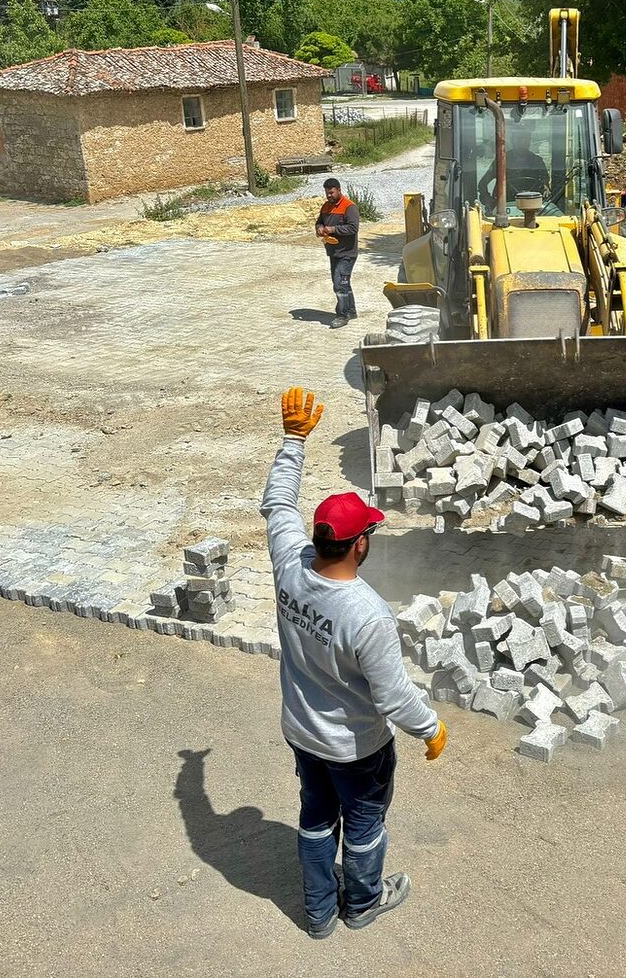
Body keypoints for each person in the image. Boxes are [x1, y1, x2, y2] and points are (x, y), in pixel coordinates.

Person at [260, 387, 448, 936]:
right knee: (363, 825)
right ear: (360, 544)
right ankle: (361, 903)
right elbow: (392, 697)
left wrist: (294, 440)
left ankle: (318, 914)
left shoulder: (291, 563)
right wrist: (431, 728)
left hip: (302, 733)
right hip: (356, 750)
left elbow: (276, 505)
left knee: (316, 819)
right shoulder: (367, 615)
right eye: (369, 529)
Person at [316, 178, 360, 329]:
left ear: (339, 190)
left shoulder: (349, 207)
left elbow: (353, 228)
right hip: (333, 252)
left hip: (347, 253)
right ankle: (351, 311)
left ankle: (342, 315)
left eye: (331, 192)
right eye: (327, 193)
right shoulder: (326, 207)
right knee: (343, 283)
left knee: (339, 284)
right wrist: (320, 228)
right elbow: (319, 221)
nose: (329, 195)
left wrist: (333, 229)